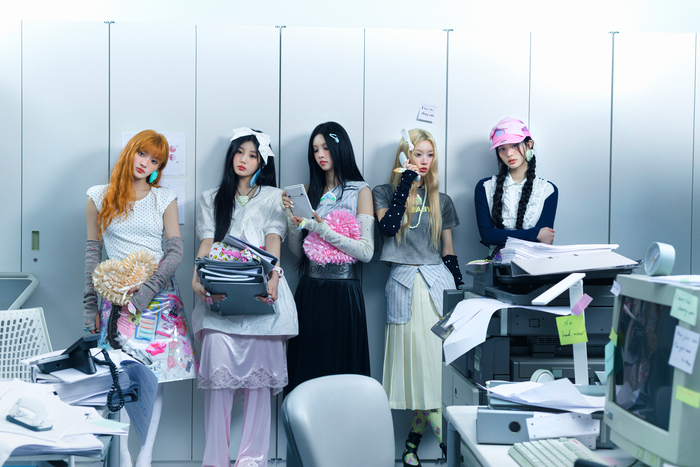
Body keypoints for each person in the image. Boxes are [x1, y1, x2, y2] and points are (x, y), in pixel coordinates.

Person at [83, 129, 197, 467]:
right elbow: (92, 254)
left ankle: (145, 455)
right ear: (130, 151)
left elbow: (175, 252)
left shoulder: (164, 198)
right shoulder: (98, 196)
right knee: (119, 378)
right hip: (117, 300)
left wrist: (147, 289)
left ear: (158, 168)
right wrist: (89, 305)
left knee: (153, 379)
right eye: (142, 154)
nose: (145, 163)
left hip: (158, 300)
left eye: (155, 160)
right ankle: (123, 454)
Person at [191, 128, 297, 467]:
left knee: (259, 388)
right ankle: (215, 461)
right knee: (218, 384)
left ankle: (253, 461)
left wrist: (275, 277)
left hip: (262, 292)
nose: (244, 160)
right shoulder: (211, 197)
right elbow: (207, 241)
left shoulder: (274, 196)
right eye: (240, 152)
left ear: (262, 162)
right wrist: (197, 275)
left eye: (252, 155)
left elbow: (273, 239)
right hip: (221, 293)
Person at [373, 128, 463, 467]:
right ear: (404, 155)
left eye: (429, 154)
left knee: (434, 373)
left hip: (438, 286)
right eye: (417, 154)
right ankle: (451, 451)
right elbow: (387, 228)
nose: (424, 161)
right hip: (404, 287)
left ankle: (412, 447)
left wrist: (459, 294)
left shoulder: (442, 199)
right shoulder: (384, 192)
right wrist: (406, 184)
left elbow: (448, 251)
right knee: (419, 373)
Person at [283, 121, 374, 395]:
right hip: (310, 290)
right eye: (315, 149)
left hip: (344, 293)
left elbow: (366, 252)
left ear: (339, 147)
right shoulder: (309, 190)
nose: (320, 154)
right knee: (307, 371)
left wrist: (321, 228)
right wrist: (291, 220)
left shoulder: (360, 191)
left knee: (341, 375)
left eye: (325, 147)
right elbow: (298, 252)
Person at [474, 117, 558, 255]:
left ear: (529, 144)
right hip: (498, 265)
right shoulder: (485, 187)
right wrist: (535, 233)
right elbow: (487, 236)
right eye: (502, 149)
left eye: (514, 145)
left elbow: (545, 238)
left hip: (536, 263)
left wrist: (501, 236)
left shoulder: (548, 189)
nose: (509, 154)